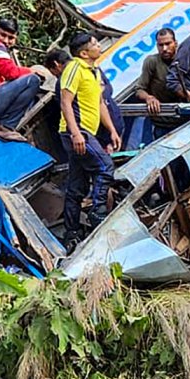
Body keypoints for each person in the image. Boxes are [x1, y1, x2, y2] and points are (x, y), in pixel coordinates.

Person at [59, 33, 122, 248]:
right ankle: (98, 213)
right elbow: (65, 102)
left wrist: (112, 129)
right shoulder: (74, 68)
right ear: (84, 53)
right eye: (94, 44)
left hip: (87, 132)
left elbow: (100, 104)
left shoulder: (94, 72)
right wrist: (75, 132)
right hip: (77, 132)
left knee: (77, 186)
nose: (98, 45)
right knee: (105, 166)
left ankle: (71, 232)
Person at [137, 28, 178, 139]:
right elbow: (139, 89)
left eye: (168, 44)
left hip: (187, 121)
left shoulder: (185, 59)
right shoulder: (152, 62)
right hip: (162, 124)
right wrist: (149, 98)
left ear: (175, 43)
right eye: (161, 45)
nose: (164, 49)